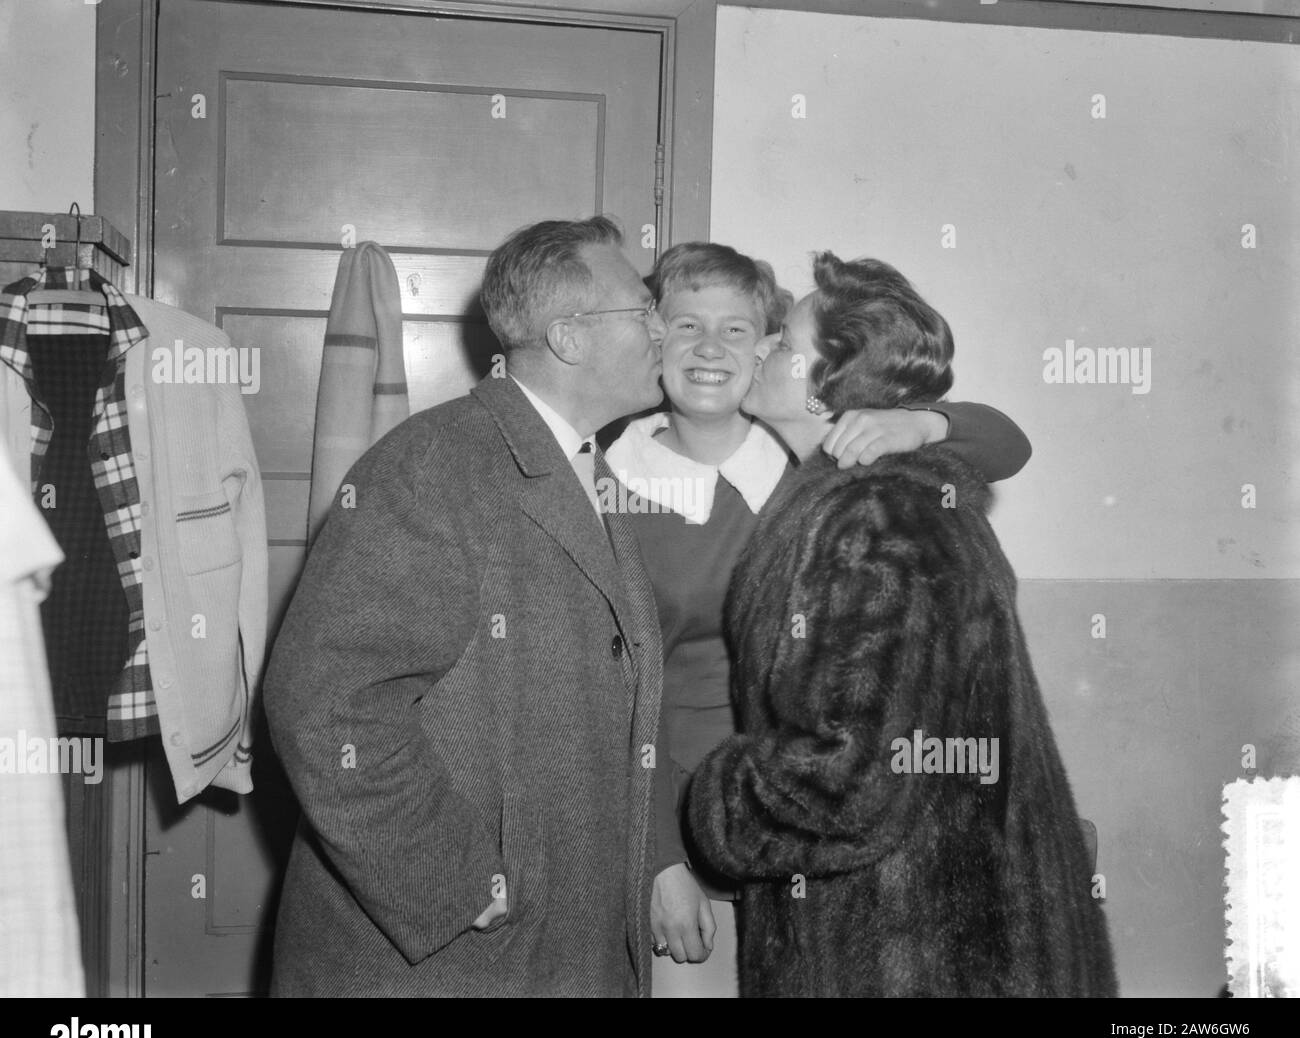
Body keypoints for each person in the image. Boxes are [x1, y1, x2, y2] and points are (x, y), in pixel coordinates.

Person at [605, 242, 1034, 997]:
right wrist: (658, 858)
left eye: (742, 330)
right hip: (691, 830)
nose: (716, 348)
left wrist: (921, 423)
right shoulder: (605, 482)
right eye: (687, 325)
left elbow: (1004, 440)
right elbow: (617, 695)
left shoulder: (816, 461)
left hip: (825, 832)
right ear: (653, 338)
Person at [684, 252, 1118, 997]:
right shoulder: (859, 496)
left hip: (916, 950)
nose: (759, 348)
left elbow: (854, 779)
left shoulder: (873, 518)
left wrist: (714, 801)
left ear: (827, 395)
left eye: (782, 343)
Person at [264, 216, 669, 996]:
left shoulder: (583, 465)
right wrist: (454, 885)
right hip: (454, 963)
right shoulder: (431, 468)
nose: (660, 329)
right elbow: (322, 704)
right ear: (571, 336)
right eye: (642, 309)